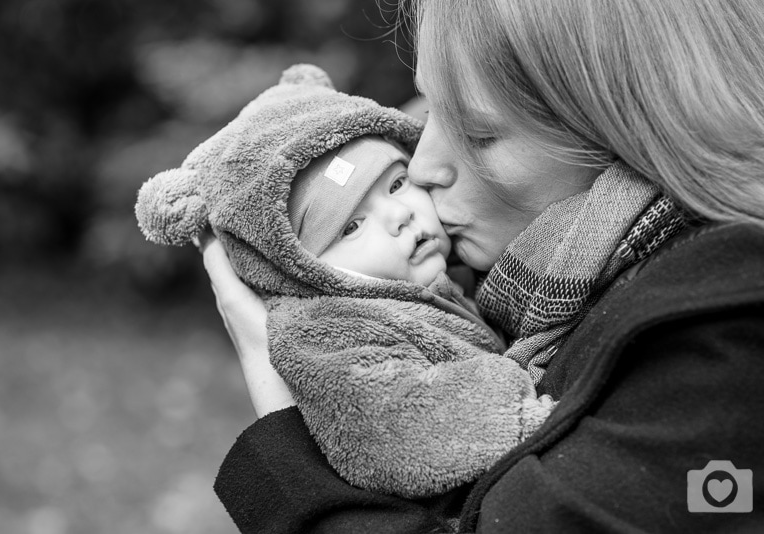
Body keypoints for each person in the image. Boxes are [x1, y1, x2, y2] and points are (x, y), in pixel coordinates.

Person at [205, 0, 764, 532]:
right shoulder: (549, 286)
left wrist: (286, 447)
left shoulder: (722, 344)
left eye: (478, 133)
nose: (420, 167)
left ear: (623, 125)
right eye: (429, 109)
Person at [136, 64, 554, 501]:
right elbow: (391, 422)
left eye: (397, 183)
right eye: (351, 227)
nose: (399, 215)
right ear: (303, 268)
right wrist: (526, 411)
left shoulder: (445, 275)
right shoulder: (322, 332)